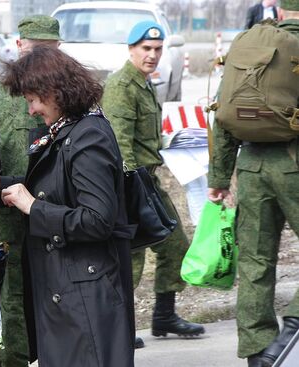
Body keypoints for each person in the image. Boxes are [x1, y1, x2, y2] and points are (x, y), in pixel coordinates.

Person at [0, 45, 135, 367]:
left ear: (55, 91)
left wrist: (32, 207)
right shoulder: (70, 129)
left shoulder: (89, 136)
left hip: (85, 301)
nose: (31, 111)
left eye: (33, 100)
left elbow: (96, 220)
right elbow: (59, 187)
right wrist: (2, 185)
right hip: (70, 293)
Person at [101, 20, 205, 348]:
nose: (153, 55)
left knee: (175, 245)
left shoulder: (145, 83)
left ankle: (163, 315)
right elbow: (120, 145)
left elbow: (144, 137)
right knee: (131, 259)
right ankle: (120, 327)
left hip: (149, 179)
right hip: (131, 183)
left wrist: (175, 139)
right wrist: (129, 192)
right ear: (131, 49)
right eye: (146, 49)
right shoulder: (122, 85)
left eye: (158, 50)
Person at [208, 1, 299, 365]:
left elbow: (223, 112)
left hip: (251, 168)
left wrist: (218, 178)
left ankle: (259, 354)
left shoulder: (250, 44)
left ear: (278, 11)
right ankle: (293, 326)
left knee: (255, 263)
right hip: (294, 163)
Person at [0, 14, 60, 367]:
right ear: (18, 46)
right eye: (35, 48)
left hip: (59, 217)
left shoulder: (71, 95)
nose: (40, 56)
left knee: (57, 296)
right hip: (10, 219)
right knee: (11, 300)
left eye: (49, 49)